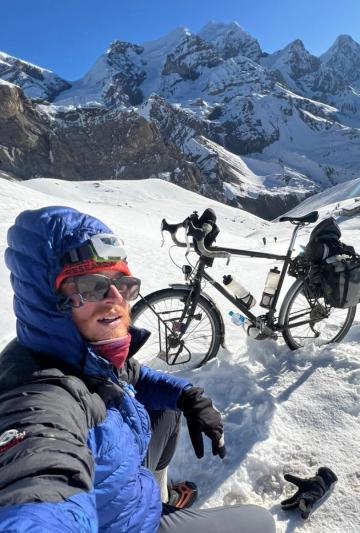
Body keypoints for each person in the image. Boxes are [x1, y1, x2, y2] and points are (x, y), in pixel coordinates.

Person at [0, 206, 279, 532]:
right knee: (260, 522)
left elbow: (132, 376)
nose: (116, 298)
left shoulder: (83, 353)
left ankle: (162, 497)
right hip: (129, 524)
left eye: (124, 283)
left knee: (168, 412)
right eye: (91, 285)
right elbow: (38, 483)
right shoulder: (42, 401)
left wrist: (187, 395)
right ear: (50, 300)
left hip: (127, 497)